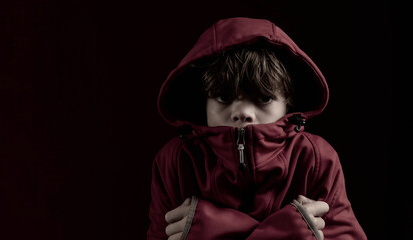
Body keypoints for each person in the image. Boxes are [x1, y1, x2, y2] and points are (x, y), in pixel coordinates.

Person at [147, 17, 367, 240]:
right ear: (203, 101)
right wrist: (287, 233)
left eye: (263, 98)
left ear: (289, 102)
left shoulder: (316, 159)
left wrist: (213, 231)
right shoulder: (175, 161)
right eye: (223, 97)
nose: (243, 113)